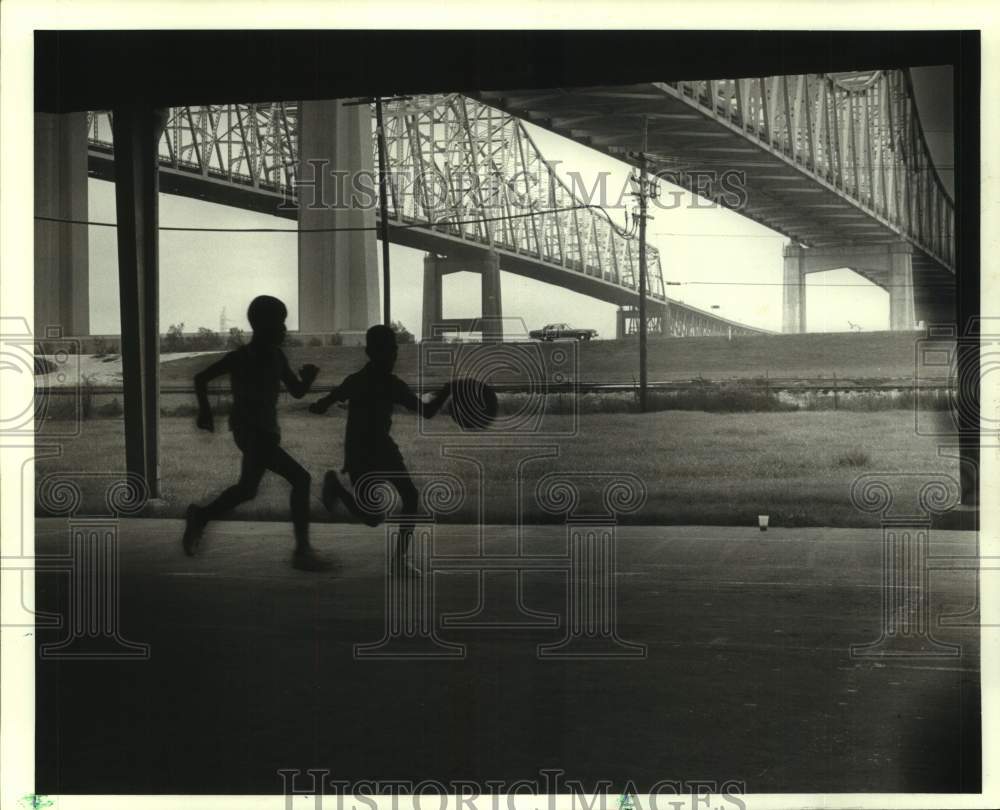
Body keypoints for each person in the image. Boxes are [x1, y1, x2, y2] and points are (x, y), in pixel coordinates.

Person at [182, 295, 330, 571]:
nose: (285, 329)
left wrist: (308, 379)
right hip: (251, 432)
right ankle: (302, 550)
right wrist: (205, 412)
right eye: (280, 323)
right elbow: (200, 378)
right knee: (301, 478)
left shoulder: (277, 357)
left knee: (247, 489)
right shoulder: (240, 358)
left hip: (266, 432)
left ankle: (200, 515)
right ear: (262, 325)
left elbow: (296, 391)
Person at [308, 324, 451, 575]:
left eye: (393, 350)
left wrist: (319, 404)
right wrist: (447, 391)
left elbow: (331, 398)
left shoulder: (359, 381)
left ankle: (398, 561)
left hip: (370, 450)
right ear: (374, 352)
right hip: (367, 451)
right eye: (390, 350)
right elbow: (427, 412)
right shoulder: (390, 384)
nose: (394, 355)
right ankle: (338, 489)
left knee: (399, 502)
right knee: (380, 513)